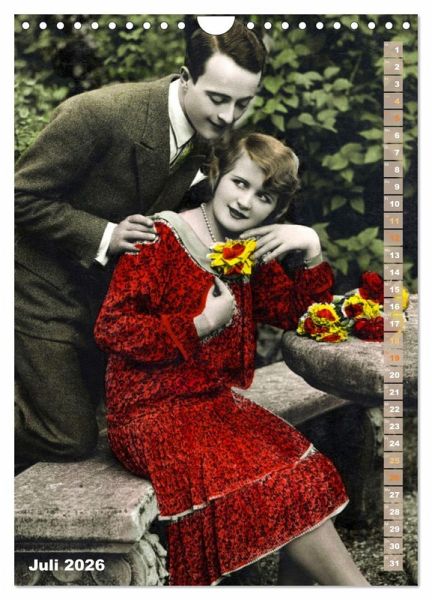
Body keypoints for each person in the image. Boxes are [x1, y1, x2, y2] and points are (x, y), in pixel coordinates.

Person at [94, 132, 369, 586]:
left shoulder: (249, 250)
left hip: (212, 406)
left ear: (275, 210)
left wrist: (310, 246)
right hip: (148, 414)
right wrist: (200, 323)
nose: (245, 202)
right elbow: (113, 328)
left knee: (309, 473)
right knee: (281, 483)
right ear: (217, 174)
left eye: (264, 196)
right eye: (240, 183)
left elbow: (302, 318)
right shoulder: (162, 238)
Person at [14, 19, 267, 470]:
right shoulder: (98, 114)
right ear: (185, 77)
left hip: (103, 307)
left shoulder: (206, 136)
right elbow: (17, 197)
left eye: (242, 104)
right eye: (218, 98)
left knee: (125, 421)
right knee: (69, 436)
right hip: (36, 292)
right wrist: (105, 234)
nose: (229, 117)